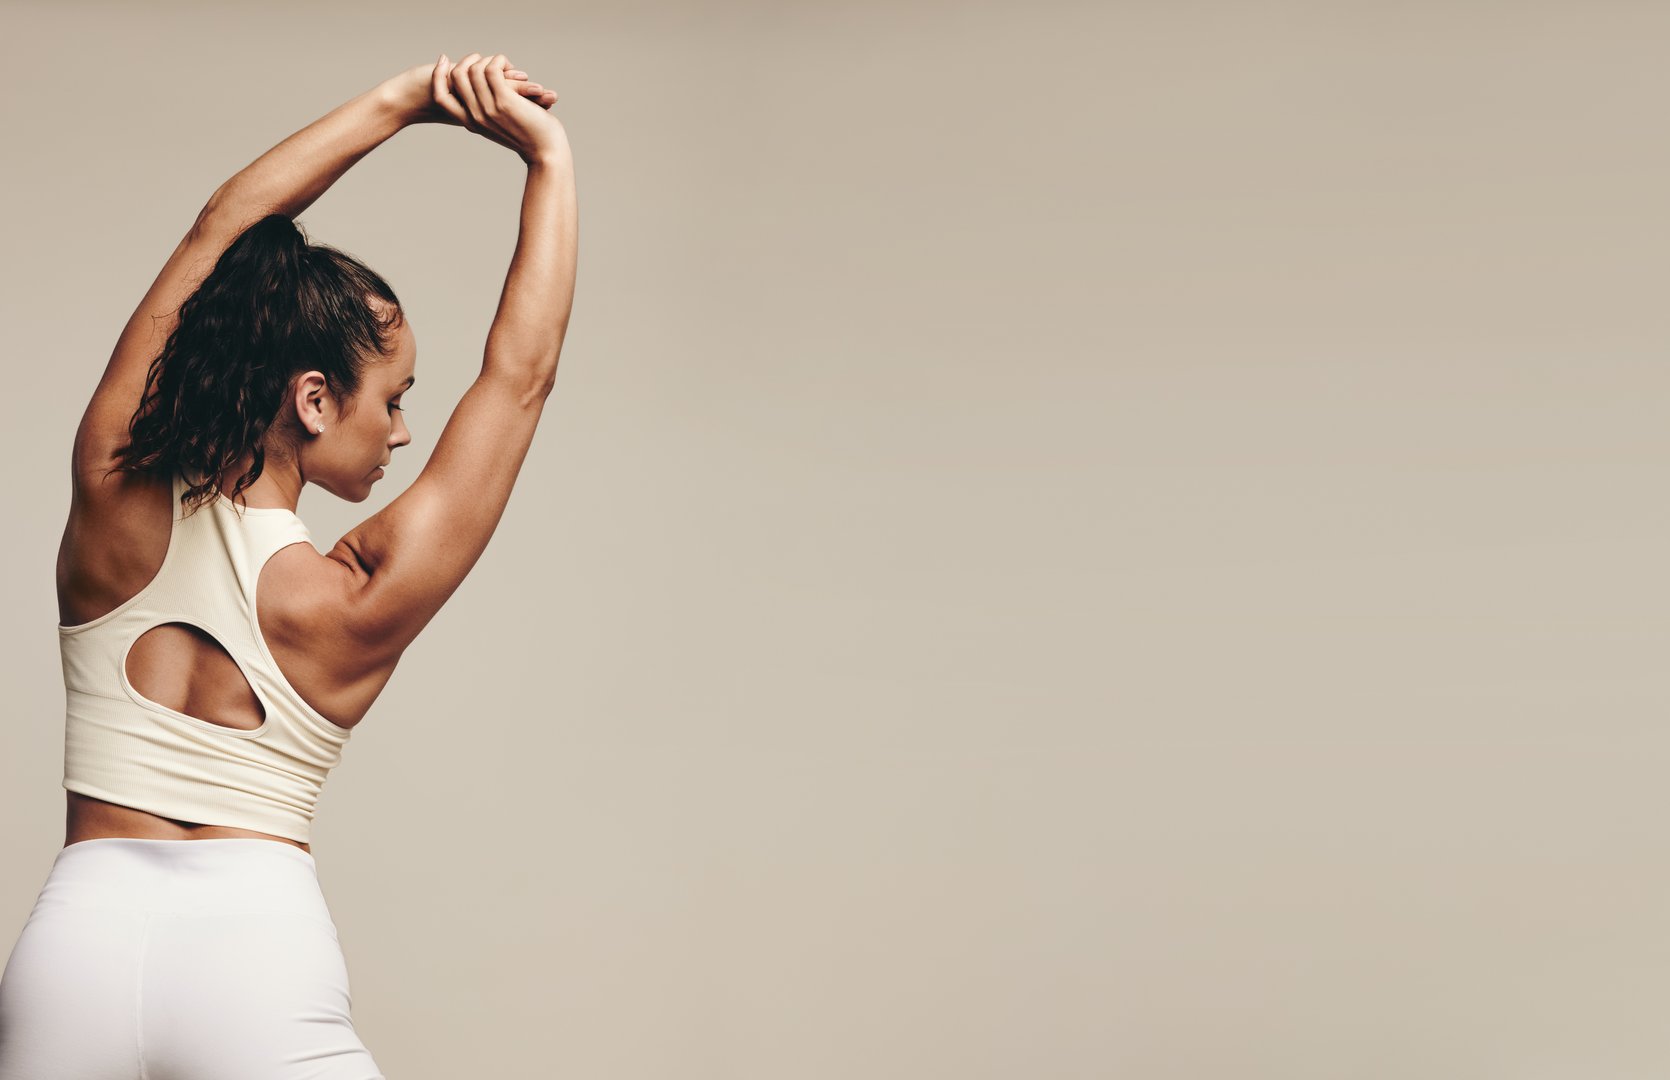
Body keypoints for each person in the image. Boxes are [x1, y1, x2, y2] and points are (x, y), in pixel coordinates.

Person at [0, 51, 577, 1077]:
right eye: (392, 399)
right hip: (253, 955)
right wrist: (548, 161)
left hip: (75, 950)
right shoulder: (350, 597)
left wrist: (406, 98)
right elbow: (519, 380)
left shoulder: (110, 494)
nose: (402, 430)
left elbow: (218, 228)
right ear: (314, 400)